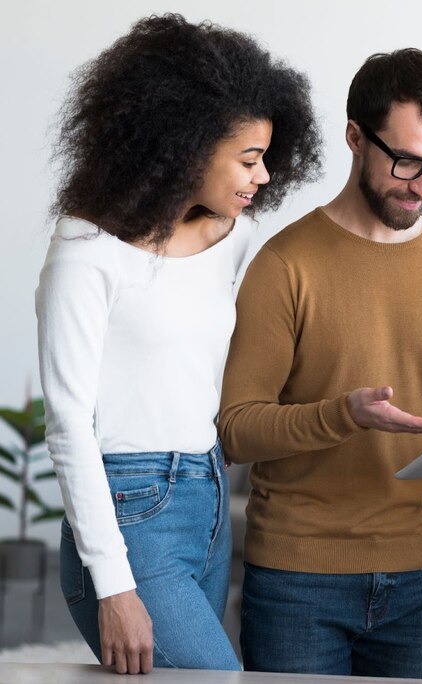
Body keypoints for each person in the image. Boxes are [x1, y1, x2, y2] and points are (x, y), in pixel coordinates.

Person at [217, 47, 422, 679]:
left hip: (421, 574)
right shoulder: (285, 264)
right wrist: (343, 414)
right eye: (406, 161)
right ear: (354, 137)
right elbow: (236, 427)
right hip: (298, 576)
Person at [36, 14, 321, 674]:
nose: (264, 177)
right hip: (132, 507)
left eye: (267, 159)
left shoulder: (234, 237)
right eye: (248, 160)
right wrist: (113, 585)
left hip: (210, 492)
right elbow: (68, 425)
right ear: (185, 146)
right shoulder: (85, 251)